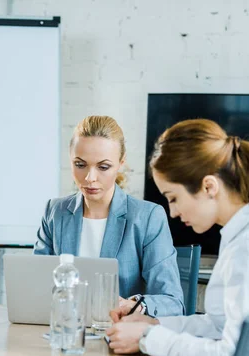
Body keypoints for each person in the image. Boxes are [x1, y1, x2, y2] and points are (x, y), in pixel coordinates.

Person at [106, 118, 249, 356]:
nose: (172, 212)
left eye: (173, 198)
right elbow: (219, 325)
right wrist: (156, 323)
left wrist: (148, 338)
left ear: (209, 186)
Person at [34, 116, 184, 318]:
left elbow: (173, 302)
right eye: (80, 165)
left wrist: (136, 305)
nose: (90, 178)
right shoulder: (55, 212)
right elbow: (36, 287)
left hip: (116, 335)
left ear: (121, 163)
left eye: (103, 167)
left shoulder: (147, 217)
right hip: (65, 330)